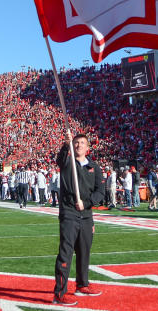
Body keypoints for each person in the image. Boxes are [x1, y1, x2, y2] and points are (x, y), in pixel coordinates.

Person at [52, 131, 106, 306]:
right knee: (66, 252)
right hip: (69, 213)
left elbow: (100, 192)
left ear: (87, 147)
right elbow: (59, 159)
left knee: (84, 251)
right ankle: (60, 293)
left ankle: (82, 284)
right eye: (76, 143)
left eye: (82, 143)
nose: (79, 145)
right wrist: (65, 144)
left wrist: (88, 203)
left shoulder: (94, 167)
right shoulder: (68, 163)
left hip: (86, 214)